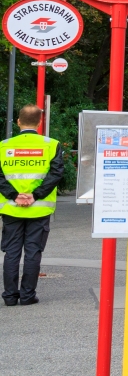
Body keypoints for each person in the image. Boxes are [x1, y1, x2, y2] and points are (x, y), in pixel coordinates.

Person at [1, 104, 69, 306]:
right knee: (33, 252)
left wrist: (14, 195)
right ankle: (28, 295)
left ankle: (10, 297)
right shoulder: (52, 144)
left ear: (19, 121)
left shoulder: (4, 145)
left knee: (12, 252)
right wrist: (35, 195)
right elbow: (56, 174)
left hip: (11, 208)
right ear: (40, 123)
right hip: (39, 208)